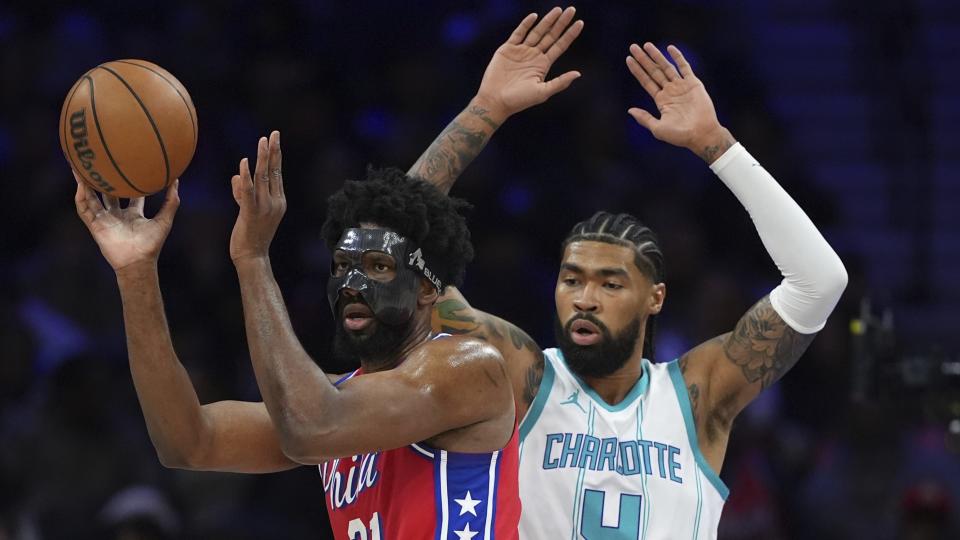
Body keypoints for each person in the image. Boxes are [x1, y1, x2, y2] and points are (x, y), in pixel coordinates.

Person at [409, 11, 848, 539]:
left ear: (654, 298)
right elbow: (396, 246)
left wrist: (716, 144)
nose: (585, 298)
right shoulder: (521, 376)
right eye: (572, 280)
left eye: (610, 283)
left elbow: (820, 280)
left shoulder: (697, 395)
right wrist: (485, 110)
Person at [72, 136, 521, 538]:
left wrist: (252, 258)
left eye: (377, 267)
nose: (352, 284)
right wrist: (135, 273)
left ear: (427, 289)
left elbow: (312, 426)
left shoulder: (469, 366)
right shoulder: (334, 398)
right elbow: (187, 441)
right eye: (343, 267)